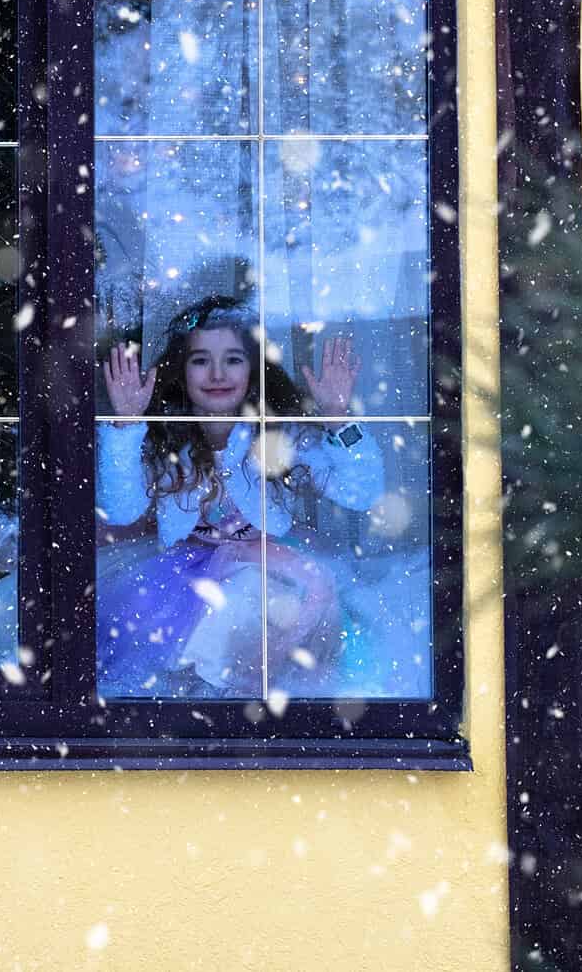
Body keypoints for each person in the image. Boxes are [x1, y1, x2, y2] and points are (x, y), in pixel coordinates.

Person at [93, 295, 383, 698]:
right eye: (201, 361)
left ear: (253, 368)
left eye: (233, 359)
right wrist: (126, 426)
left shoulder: (279, 433)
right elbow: (122, 509)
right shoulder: (166, 437)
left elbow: (361, 493)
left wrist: (337, 416)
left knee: (269, 606)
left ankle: (241, 699)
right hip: (186, 573)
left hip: (271, 563)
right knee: (189, 627)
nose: (217, 374)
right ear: (181, 371)